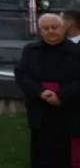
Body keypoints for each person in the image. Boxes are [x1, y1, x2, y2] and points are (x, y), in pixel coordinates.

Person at [15, 12, 80, 167]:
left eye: (54, 27)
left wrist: (61, 96)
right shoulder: (31, 50)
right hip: (40, 107)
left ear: (63, 28)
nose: (50, 31)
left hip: (68, 108)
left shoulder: (77, 51)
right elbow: (22, 74)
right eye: (45, 28)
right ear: (40, 31)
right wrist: (40, 92)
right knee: (41, 154)